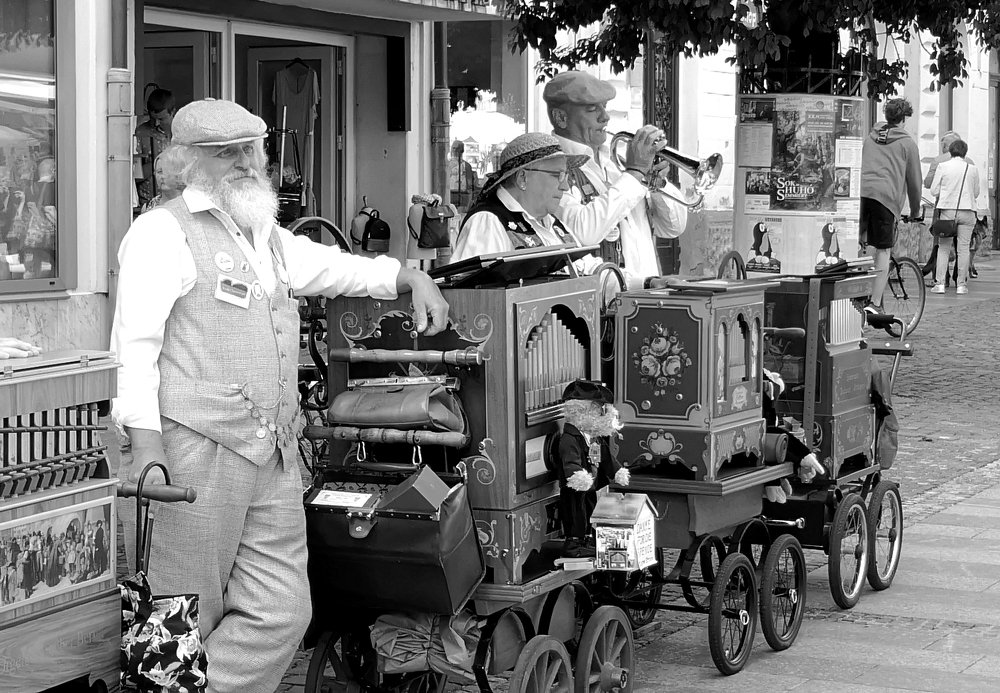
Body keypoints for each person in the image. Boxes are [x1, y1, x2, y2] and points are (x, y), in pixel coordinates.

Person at [111, 98, 449, 692]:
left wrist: (407, 275)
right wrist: (144, 447)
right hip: (193, 451)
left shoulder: (267, 235)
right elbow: (133, 348)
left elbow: (336, 268)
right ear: (188, 162)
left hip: (273, 453)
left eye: (251, 149)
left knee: (283, 610)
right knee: (184, 613)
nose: (245, 162)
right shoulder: (161, 231)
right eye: (225, 153)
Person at [543, 71, 688, 287]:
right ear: (561, 118)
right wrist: (635, 173)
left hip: (647, 294)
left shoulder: (615, 163)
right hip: (603, 299)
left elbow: (673, 228)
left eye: (604, 107)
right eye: (592, 109)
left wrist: (657, 185)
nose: (605, 117)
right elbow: (584, 231)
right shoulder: (552, 169)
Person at [451, 132, 589, 261]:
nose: (565, 186)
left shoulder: (550, 222)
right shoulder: (488, 223)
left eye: (566, 176)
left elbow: (587, 266)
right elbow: (474, 279)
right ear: (522, 178)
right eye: (558, 175)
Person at [859, 98, 923, 315]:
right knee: (883, 249)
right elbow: (914, 183)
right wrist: (915, 212)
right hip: (885, 198)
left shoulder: (870, 138)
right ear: (903, 119)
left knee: (863, 244)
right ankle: (875, 303)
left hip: (862, 194)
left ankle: (856, 291)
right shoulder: (907, 144)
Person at [929, 138, 981, 295]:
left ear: (950, 151)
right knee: (963, 249)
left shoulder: (942, 166)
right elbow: (976, 193)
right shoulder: (972, 169)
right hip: (967, 211)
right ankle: (961, 285)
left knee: (944, 247)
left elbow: (934, 190)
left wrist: (946, 192)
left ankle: (939, 284)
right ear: (965, 152)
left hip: (948, 211)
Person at [134, 87, 176, 209]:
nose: (156, 123)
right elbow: (134, 175)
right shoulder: (142, 132)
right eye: (153, 119)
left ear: (173, 112)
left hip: (177, 202)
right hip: (148, 203)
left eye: (161, 119)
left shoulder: (183, 133)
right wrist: (157, 161)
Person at [140, 147, 187, 213]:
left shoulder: (191, 205)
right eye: (159, 172)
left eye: (167, 171)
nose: (163, 176)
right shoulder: (148, 207)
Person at [448, 140, 478, 212]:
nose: (454, 151)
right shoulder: (447, 165)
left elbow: (470, 186)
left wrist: (469, 201)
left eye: (457, 148)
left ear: (462, 151)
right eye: (453, 148)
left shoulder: (466, 166)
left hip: (463, 197)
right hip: (450, 195)